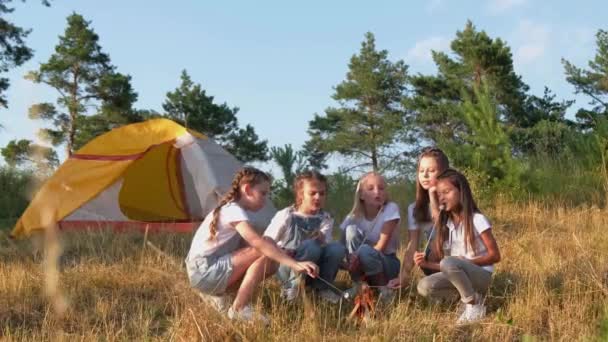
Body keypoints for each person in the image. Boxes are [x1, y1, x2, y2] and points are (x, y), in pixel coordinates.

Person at [185, 167, 319, 323]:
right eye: (263, 193)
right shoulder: (233, 210)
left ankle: (221, 298)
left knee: (270, 254)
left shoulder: (233, 210)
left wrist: (280, 252)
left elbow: (248, 249)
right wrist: (295, 264)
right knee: (267, 245)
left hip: (202, 272)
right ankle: (239, 308)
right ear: (247, 189)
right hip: (204, 271)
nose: (265, 198)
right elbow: (258, 244)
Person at [415, 168, 501, 323]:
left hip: (480, 276)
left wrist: (465, 262)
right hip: (460, 275)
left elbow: (495, 255)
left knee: (450, 261)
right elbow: (449, 267)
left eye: (446, 192)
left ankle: (474, 305)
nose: (441, 197)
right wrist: (426, 263)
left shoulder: (477, 219)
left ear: (461, 192)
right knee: (424, 286)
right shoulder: (447, 225)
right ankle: (467, 299)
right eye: (439, 194)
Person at [264, 170, 346, 303]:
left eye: (322, 193)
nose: (318, 197)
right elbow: (266, 242)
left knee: (337, 248)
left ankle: (322, 289)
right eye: (312, 193)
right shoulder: (287, 215)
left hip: (314, 270)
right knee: (310, 246)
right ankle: (292, 290)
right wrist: (284, 251)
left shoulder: (326, 218)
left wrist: (322, 240)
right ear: (300, 194)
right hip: (288, 266)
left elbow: (327, 248)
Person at [388, 147, 449, 288]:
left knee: (435, 247)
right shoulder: (414, 208)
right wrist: (403, 275)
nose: (425, 175)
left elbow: (444, 235)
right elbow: (412, 245)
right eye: (421, 171)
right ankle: (445, 290)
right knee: (424, 255)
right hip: (435, 262)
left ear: (444, 174)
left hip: (458, 259)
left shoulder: (453, 202)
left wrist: (434, 198)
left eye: (431, 171)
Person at [340, 172, 401, 301]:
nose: (377, 192)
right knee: (350, 230)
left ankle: (384, 289)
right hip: (362, 263)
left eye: (381, 188)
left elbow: (381, 246)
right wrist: (348, 262)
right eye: (371, 188)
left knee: (364, 250)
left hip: (387, 263)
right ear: (361, 195)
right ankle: (359, 285)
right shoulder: (353, 217)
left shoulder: (391, 208)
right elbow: (340, 245)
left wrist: (359, 254)